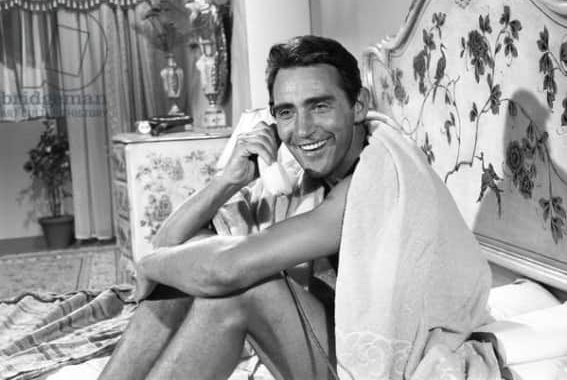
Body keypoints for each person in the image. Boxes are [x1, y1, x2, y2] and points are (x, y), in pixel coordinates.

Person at [100, 35, 492, 380]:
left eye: (319, 106)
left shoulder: (375, 179)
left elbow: (224, 268)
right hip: (335, 336)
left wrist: (148, 264)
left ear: (358, 106)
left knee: (245, 289)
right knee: (183, 278)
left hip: (393, 360)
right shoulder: (303, 173)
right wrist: (227, 181)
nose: (302, 130)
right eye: (286, 112)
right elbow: (169, 243)